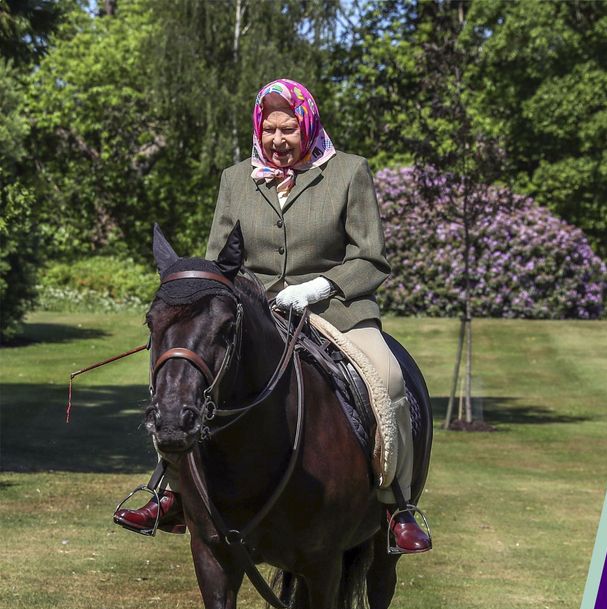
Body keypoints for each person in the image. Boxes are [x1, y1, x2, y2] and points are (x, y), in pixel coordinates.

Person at [114, 78, 431, 553]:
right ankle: (172, 492)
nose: (279, 141)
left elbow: (371, 258)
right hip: (253, 310)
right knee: (188, 377)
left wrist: (319, 287)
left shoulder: (348, 172)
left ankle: (396, 504)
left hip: (336, 308)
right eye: (270, 130)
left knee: (386, 377)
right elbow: (220, 260)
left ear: (308, 125)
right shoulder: (235, 179)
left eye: (289, 129)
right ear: (258, 130)